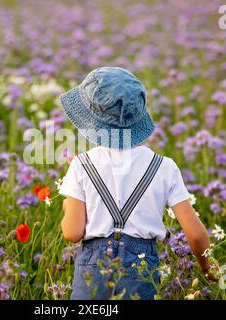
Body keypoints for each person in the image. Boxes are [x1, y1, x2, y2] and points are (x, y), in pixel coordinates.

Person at [58, 67, 216, 300]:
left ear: (91, 122)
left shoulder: (82, 164)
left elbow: (72, 232)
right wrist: (205, 265)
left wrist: (66, 209)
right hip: (141, 267)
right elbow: (195, 235)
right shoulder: (164, 167)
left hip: (93, 267)